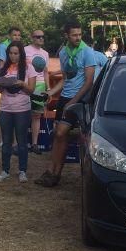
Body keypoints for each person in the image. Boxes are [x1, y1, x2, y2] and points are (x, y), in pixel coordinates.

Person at [35, 21, 96, 187]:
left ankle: (54, 174)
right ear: (66, 36)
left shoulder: (87, 52)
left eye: (79, 34)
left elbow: (89, 81)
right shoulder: (63, 52)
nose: (78, 37)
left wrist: (74, 102)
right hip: (65, 97)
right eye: (74, 35)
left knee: (61, 133)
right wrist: (51, 92)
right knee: (58, 135)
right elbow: (66, 78)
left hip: (79, 99)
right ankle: (52, 173)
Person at [0, 42, 36, 183]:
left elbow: (31, 90)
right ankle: (5, 170)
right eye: (11, 53)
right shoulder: (3, 68)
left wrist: (22, 84)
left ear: (21, 54)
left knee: (22, 141)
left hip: (22, 109)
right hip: (5, 108)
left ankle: (22, 171)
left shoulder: (29, 67)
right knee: (6, 141)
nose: (13, 56)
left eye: (16, 53)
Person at [24, 30, 50, 153]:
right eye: (38, 37)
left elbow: (45, 72)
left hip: (39, 86)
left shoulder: (45, 53)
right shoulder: (25, 50)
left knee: (36, 115)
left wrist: (48, 88)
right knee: (21, 114)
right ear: (32, 38)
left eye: (42, 37)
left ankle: (34, 144)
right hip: (26, 84)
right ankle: (17, 143)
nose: (41, 39)